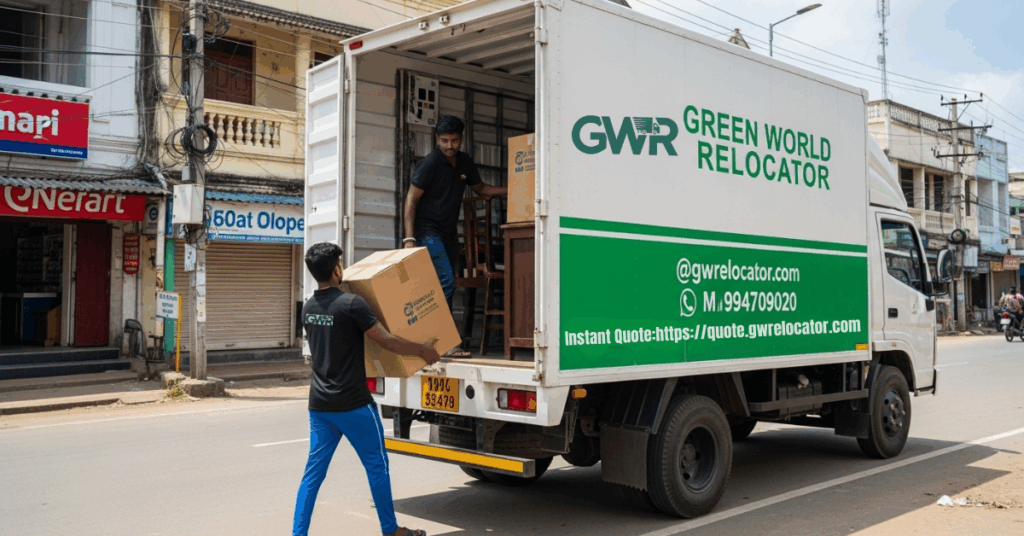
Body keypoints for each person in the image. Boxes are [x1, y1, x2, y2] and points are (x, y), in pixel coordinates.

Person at [293, 242, 439, 536]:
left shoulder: (308, 307)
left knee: (313, 475)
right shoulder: (351, 304)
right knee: (377, 466)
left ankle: (298, 534)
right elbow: (387, 341)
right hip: (354, 404)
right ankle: (391, 530)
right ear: (337, 269)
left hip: (320, 406)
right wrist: (423, 351)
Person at [402, 116, 507, 356]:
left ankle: (439, 340)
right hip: (428, 231)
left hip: (448, 233)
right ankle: (444, 342)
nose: (450, 146)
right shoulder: (429, 164)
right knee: (446, 281)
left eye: (455, 141)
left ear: (462, 139)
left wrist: (514, 189)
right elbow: (411, 199)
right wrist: (409, 239)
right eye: (445, 141)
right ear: (437, 140)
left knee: (444, 283)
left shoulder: (464, 162)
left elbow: (481, 189)